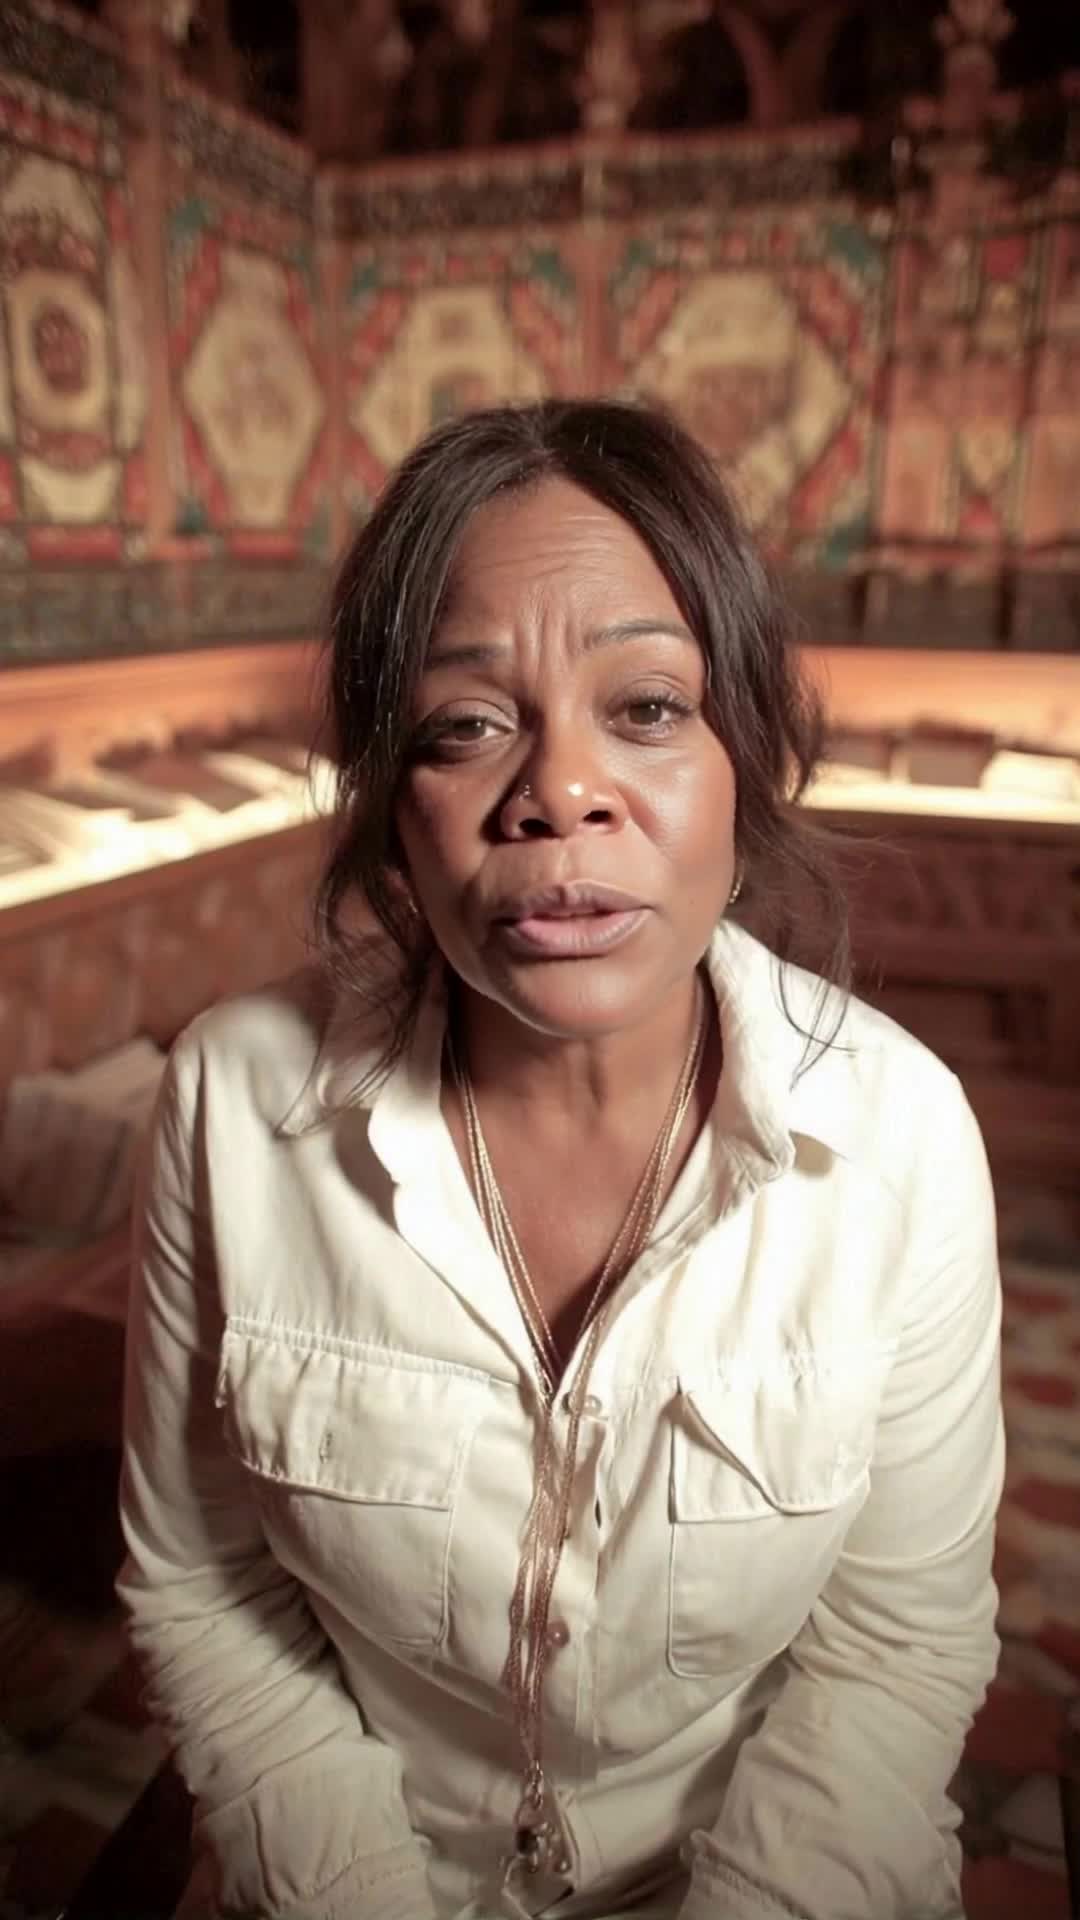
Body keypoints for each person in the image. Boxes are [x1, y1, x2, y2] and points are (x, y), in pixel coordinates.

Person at [118, 399, 1004, 1920]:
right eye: (466, 725)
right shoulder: (230, 1102)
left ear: (747, 761)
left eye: (647, 707)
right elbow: (206, 1583)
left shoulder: (900, 1136)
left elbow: (894, 1652)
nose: (560, 792)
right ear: (393, 806)